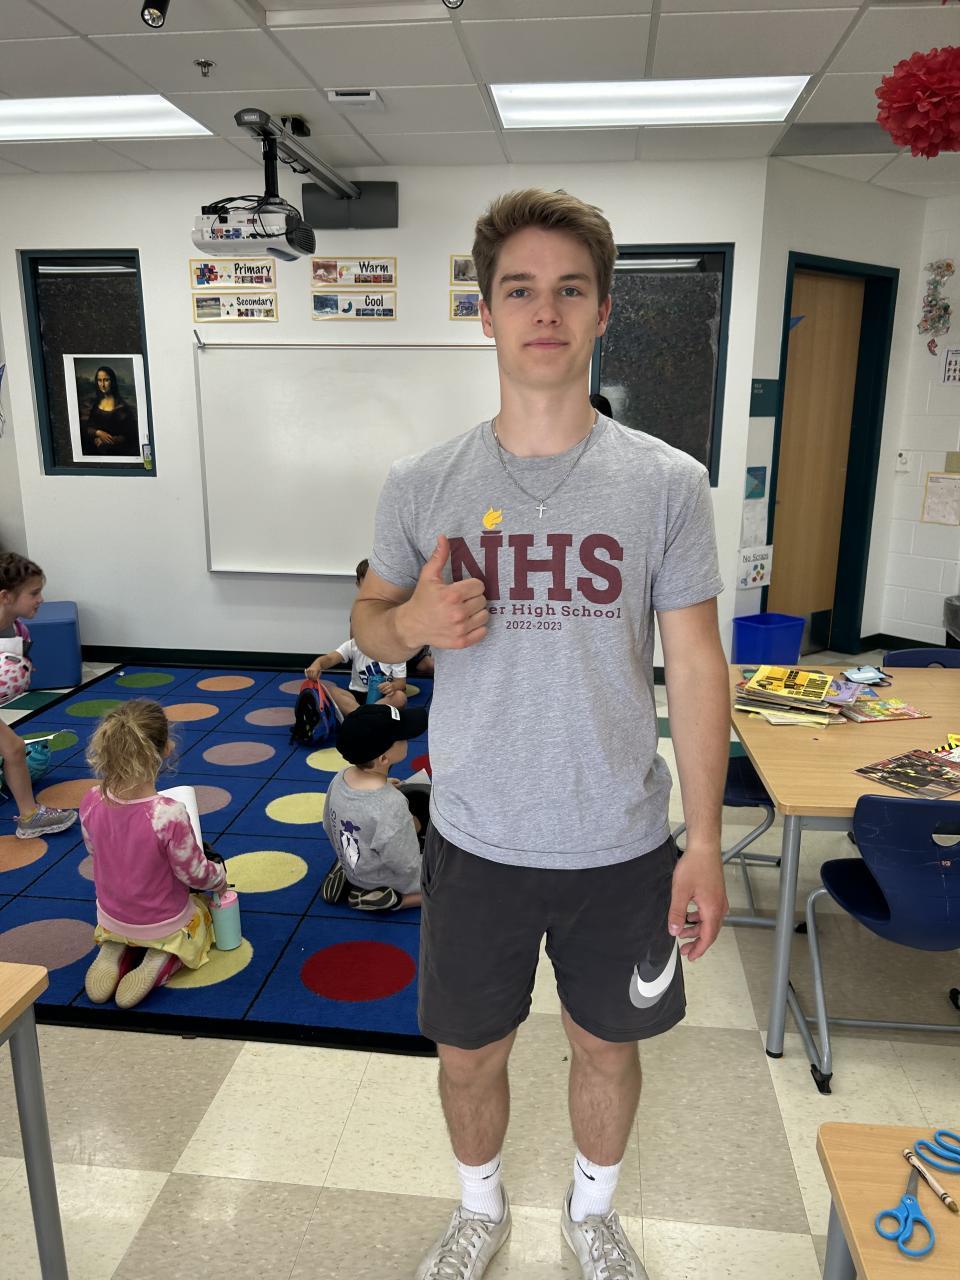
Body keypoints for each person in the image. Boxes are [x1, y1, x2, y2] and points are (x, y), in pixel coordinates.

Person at [352, 189, 730, 1280]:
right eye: (519, 289)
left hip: (621, 841)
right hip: (476, 837)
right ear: (486, 313)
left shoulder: (666, 483)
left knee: (608, 1045)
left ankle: (592, 1214)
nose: (545, 311)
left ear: (604, 310)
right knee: (470, 1053)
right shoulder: (423, 483)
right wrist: (410, 626)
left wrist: (705, 839)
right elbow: (367, 619)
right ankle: (479, 1211)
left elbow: (696, 665)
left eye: (570, 289)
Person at [80, 700, 227, 1009]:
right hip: (164, 920)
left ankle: (115, 946)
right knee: (200, 913)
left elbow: (94, 850)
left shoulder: (91, 800)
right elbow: (193, 874)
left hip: (111, 914)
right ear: (166, 749)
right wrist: (219, 878)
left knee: (120, 921)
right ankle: (164, 958)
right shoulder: (168, 814)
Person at [321, 702, 430, 912]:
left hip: (355, 861)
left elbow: (328, 823)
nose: (407, 739)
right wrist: (413, 827)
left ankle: (347, 870)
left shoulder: (340, 778)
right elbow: (405, 864)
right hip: (387, 877)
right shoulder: (392, 804)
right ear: (383, 758)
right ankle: (392, 899)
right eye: (402, 737)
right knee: (452, 882)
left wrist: (385, 785)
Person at [0, 552, 77, 838]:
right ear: (6, 596)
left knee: (14, 748)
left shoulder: (16, 628)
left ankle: (30, 816)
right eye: (33, 593)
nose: (41, 599)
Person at [305, 558, 410, 715]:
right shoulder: (354, 644)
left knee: (400, 698)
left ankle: (360, 716)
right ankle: (365, 716)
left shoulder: (395, 648)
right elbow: (329, 658)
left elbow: (400, 684)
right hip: (357, 694)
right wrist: (316, 665)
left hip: (383, 697)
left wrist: (392, 686)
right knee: (333, 691)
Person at [81, 365, 139, 457]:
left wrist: (107, 440)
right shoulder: (96, 404)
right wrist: (98, 433)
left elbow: (129, 435)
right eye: (99, 380)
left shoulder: (122, 408)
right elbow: (89, 427)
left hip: (115, 452)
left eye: (106, 380)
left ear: (113, 382)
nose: (103, 385)